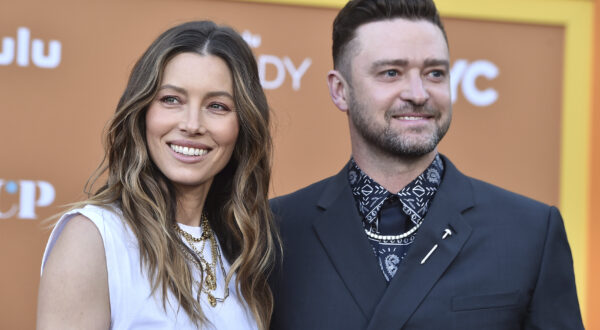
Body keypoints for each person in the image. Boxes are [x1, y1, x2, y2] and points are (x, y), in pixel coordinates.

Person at [269, 0, 584, 329]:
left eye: (435, 73)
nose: (418, 94)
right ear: (340, 90)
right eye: (391, 73)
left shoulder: (529, 233)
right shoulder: (275, 232)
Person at [37, 21, 278, 330]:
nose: (192, 124)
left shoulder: (242, 252)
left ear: (242, 125)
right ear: (142, 113)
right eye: (171, 100)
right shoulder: (94, 238)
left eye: (217, 106)